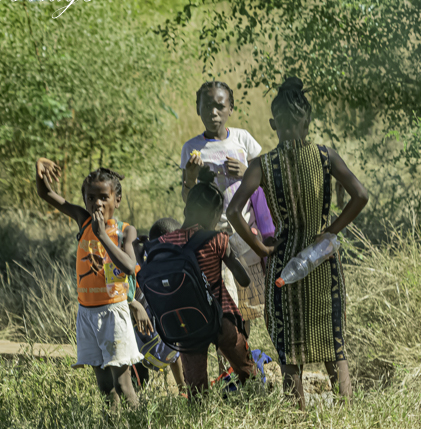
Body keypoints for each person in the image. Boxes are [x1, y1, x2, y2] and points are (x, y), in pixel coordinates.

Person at [227, 77, 369, 410]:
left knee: (290, 351)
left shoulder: (262, 165)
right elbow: (360, 195)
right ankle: (349, 416)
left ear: (273, 124)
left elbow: (234, 211)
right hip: (323, 262)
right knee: (334, 344)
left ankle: (297, 421)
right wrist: (329, 231)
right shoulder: (326, 156)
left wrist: (262, 248)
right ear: (308, 122)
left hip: (284, 265)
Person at [35, 158, 142, 412]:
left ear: (117, 200)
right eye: (91, 198)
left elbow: (129, 266)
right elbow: (47, 194)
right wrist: (39, 168)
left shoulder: (125, 231)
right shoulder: (83, 220)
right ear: (84, 200)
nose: (97, 203)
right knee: (105, 387)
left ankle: (138, 428)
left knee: (123, 385)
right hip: (87, 314)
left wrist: (102, 234)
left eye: (104, 197)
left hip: (114, 313)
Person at [180, 80, 273, 322]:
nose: (213, 112)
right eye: (207, 106)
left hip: (246, 235)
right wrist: (190, 178)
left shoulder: (243, 139)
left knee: (247, 309)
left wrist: (246, 172)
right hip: (213, 238)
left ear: (230, 109)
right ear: (198, 108)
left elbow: (266, 179)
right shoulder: (191, 148)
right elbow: (187, 200)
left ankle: (243, 345)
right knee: (224, 309)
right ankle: (231, 348)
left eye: (220, 106)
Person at [155, 182, 258, 397]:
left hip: (187, 324)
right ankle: (255, 401)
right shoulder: (217, 240)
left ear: (186, 210)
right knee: (247, 370)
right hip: (221, 317)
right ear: (215, 217)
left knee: (196, 386)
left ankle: (199, 412)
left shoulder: (165, 243)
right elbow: (243, 279)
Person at [129, 218, 185, 393]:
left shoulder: (147, 266)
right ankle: (183, 389)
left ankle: (139, 392)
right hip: (168, 336)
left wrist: (136, 248)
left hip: (145, 337)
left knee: (139, 363)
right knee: (176, 355)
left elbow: (140, 265)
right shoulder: (179, 266)